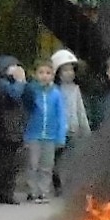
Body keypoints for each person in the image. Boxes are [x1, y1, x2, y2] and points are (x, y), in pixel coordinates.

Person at [22, 57, 67, 203]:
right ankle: (32, 191)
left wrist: (61, 136)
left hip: (50, 136)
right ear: (35, 74)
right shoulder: (31, 91)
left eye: (48, 73)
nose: (44, 75)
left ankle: (43, 191)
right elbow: (25, 112)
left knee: (47, 166)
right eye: (41, 72)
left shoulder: (56, 93)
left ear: (53, 75)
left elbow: (61, 115)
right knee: (32, 164)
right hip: (32, 134)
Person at [50, 49, 91, 196]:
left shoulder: (75, 89)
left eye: (71, 70)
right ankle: (58, 184)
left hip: (73, 130)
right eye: (65, 70)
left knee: (73, 158)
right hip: (58, 131)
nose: (69, 73)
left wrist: (85, 130)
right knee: (57, 159)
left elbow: (80, 110)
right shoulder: (54, 90)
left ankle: (70, 184)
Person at [0, 57, 28, 205]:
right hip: (3, 130)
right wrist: (20, 81)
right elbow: (14, 95)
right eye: (12, 67)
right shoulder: (0, 84)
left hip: (15, 130)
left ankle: (7, 193)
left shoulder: (16, 84)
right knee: (1, 164)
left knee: (12, 165)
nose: (16, 69)